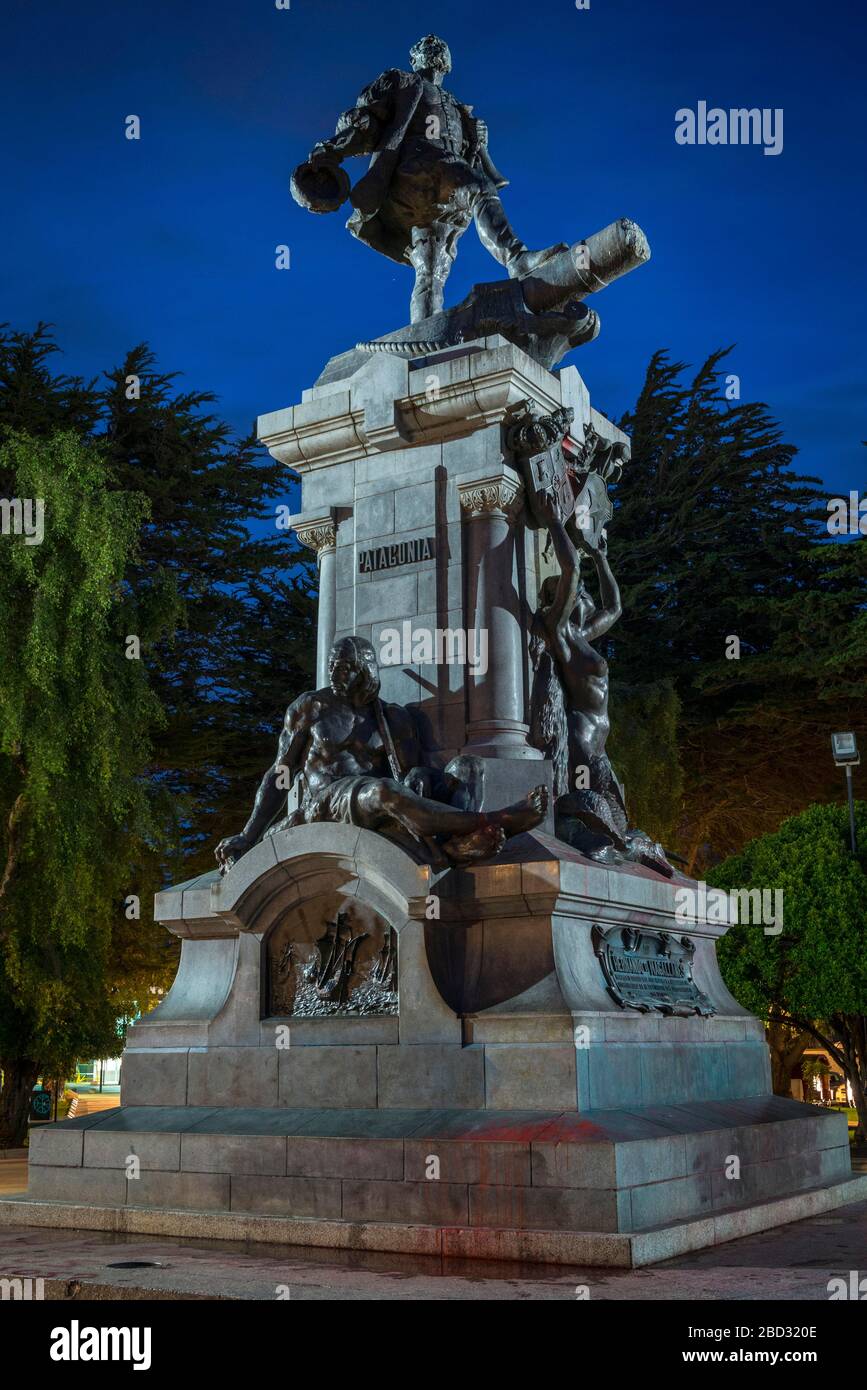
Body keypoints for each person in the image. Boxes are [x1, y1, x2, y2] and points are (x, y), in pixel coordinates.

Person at [215, 635, 547, 872]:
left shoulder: (392, 718)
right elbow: (279, 774)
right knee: (383, 791)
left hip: (375, 803)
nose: (334, 675)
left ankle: (451, 849)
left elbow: (408, 778)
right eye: (332, 666)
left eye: (344, 667)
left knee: (467, 767)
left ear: (366, 669)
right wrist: (248, 835)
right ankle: (495, 820)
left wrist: (421, 777)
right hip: (327, 803)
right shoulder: (312, 706)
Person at [292, 34, 557, 322]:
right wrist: (332, 150)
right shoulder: (402, 82)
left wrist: (479, 142)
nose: (434, 45)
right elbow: (366, 123)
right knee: (479, 186)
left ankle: (423, 335)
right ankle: (517, 259)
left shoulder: (458, 106)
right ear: (414, 59)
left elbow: (469, 155)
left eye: (439, 46)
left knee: (432, 270)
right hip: (416, 171)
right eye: (426, 46)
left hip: (442, 198)